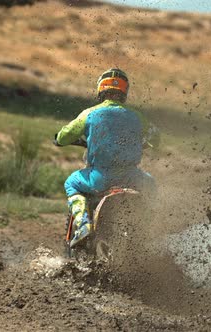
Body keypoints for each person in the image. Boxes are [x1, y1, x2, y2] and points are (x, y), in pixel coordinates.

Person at [54, 68, 159, 248]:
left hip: (99, 178)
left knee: (71, 183)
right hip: (131, 178)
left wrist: (59, 139)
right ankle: (147, 231)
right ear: (124, 92)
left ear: (100, 90)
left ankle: (83, 224)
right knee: (151, 185)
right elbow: (155, 138)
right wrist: (145, 145)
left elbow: (64, 136)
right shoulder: (137, 116)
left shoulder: (89, 113)